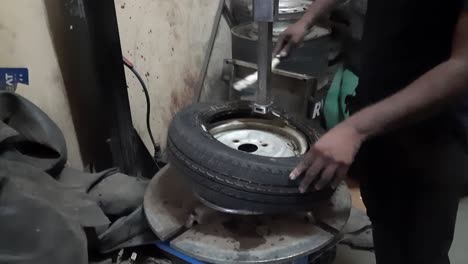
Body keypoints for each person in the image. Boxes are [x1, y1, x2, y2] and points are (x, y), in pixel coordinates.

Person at [274, 0, 468, 263]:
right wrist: (306, 20)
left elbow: (462, 68)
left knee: (424, 249)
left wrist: (355, 128)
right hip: (376, 120)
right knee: (386, 233)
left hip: (433, 136)